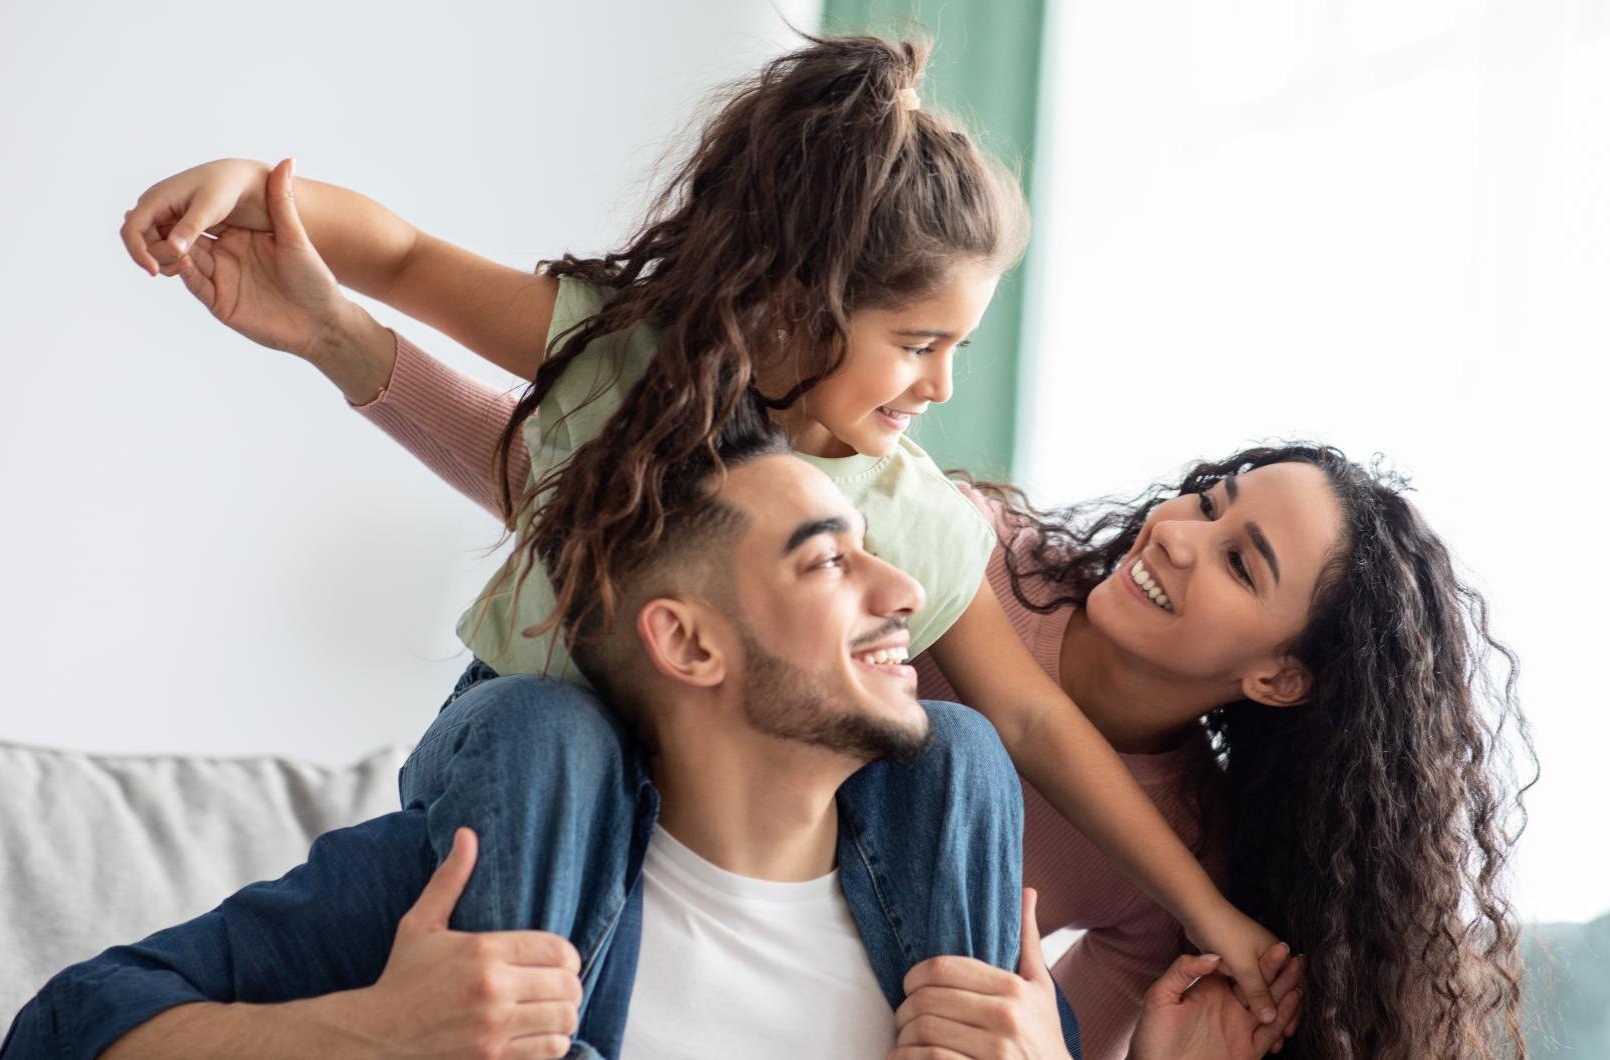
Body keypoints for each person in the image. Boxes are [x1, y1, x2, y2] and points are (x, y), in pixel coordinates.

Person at [118, 33, 1290, 1018]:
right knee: (550, 728)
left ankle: (944, 1036)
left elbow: (1029, 718)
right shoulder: (633, 361)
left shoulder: (914, 516)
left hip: (743, 807)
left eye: (960, 351)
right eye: (918, 345)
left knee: (963, 747)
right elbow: (412, 257)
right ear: (797, 303)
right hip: (532, 752)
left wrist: (1211, 912)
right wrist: (250, 189)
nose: (939, 387)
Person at [268, 324, 1533, 1059]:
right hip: (614, 858)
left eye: (1239, 557)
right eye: (1208, 498)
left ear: (1278, 672)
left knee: (960, 757)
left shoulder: (1173, 858)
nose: (1179, 535)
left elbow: (1016, 1029)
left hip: (785, 1003)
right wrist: (346, 343)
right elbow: (629, 512)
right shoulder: (956, 546)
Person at [11, 414, 1268, 1059]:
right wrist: (363, 1036)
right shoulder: (474, 893)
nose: (904, 599)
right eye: (831, 563)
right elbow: (66, 1025)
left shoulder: (962, 944)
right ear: (690, 643)